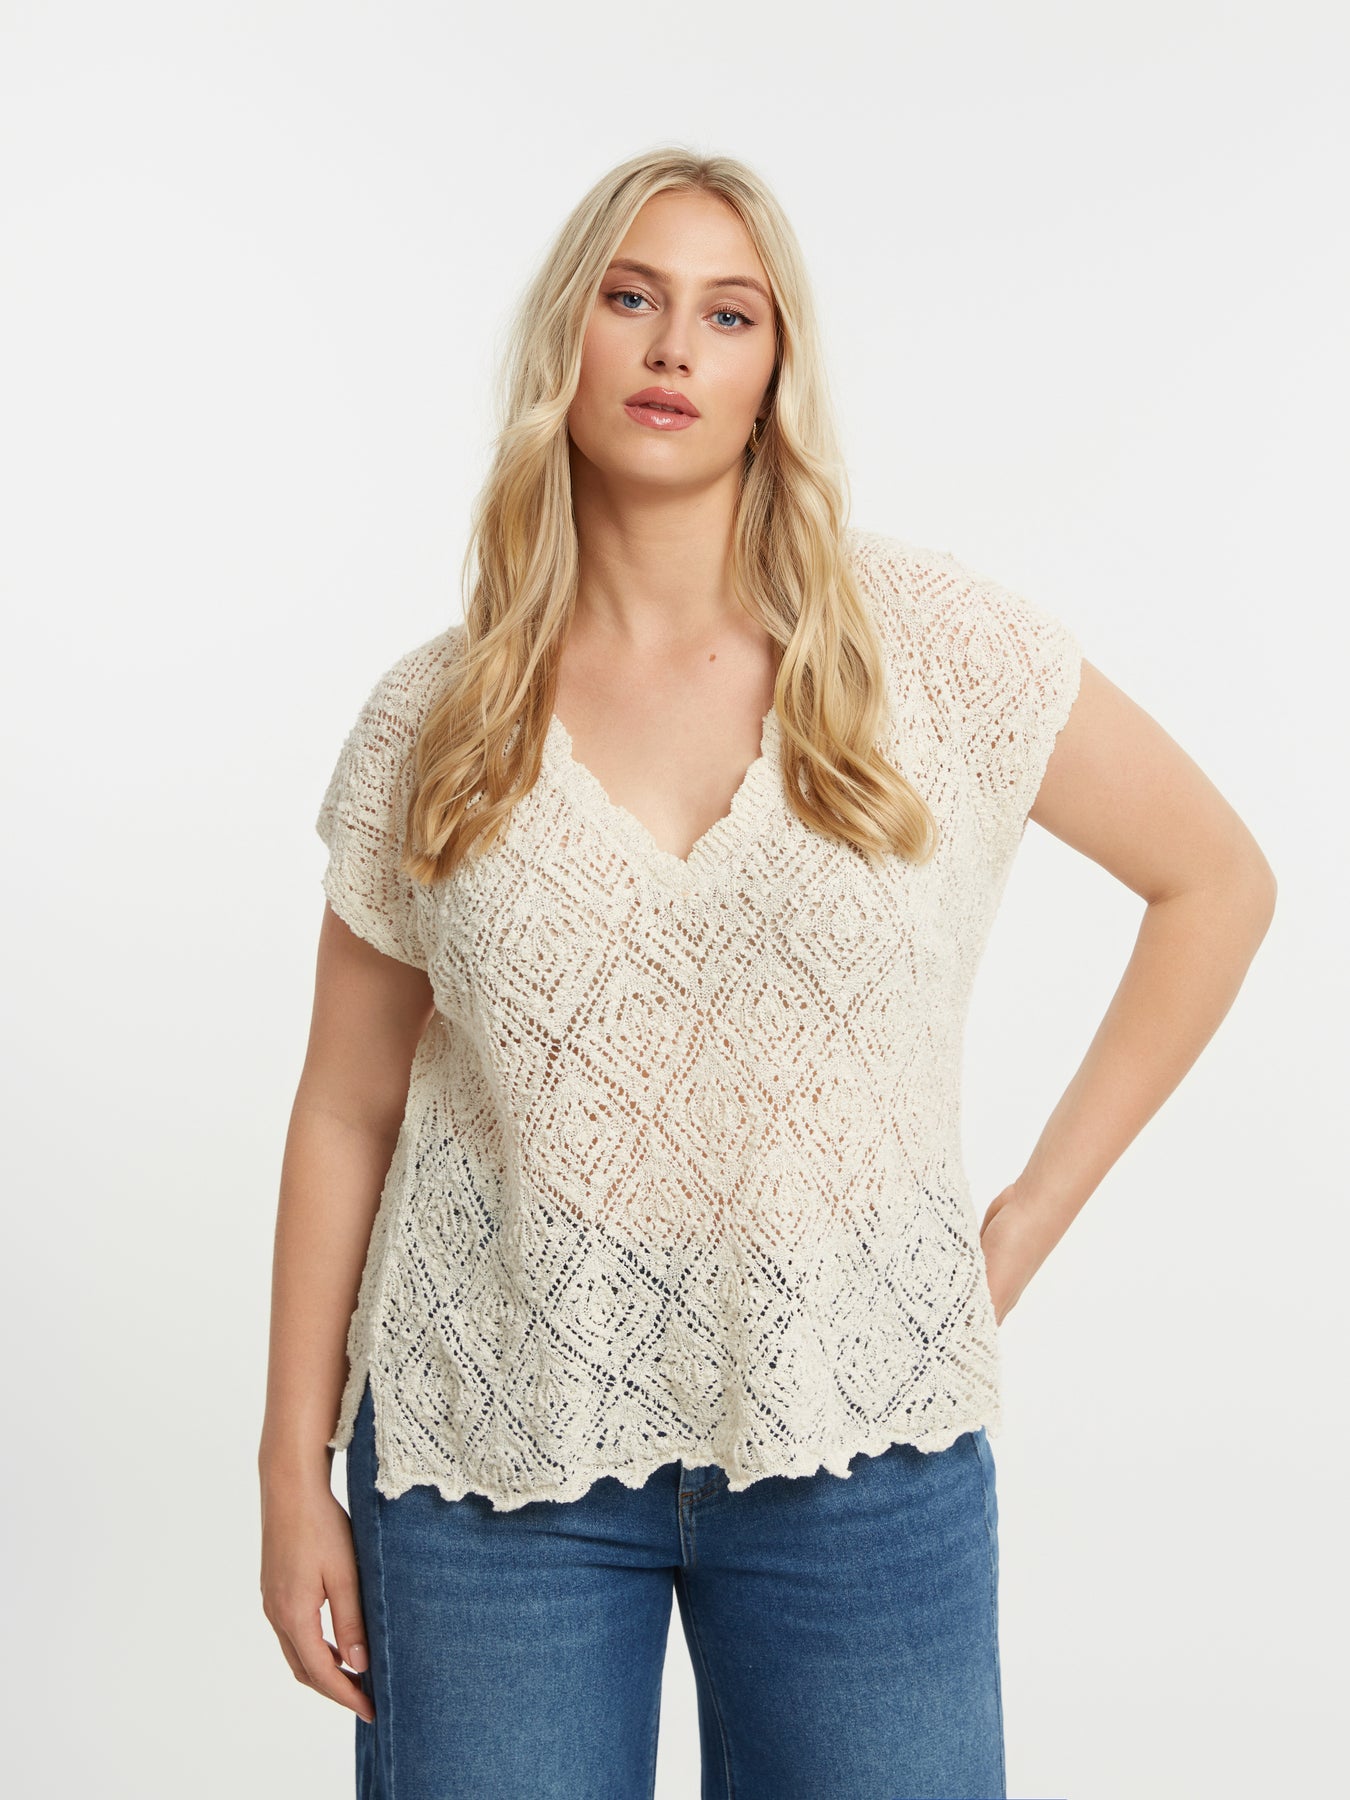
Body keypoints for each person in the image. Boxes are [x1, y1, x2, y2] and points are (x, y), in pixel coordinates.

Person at [257, 146, 1277, 1800]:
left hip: (861, 1432)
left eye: (727, 315)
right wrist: (287, 1467)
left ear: (772, 372)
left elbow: (1215, 882)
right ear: (566, 337)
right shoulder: (435, 714)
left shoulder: (929, 648)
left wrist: (1018, 1223)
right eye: (631, 298)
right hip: (488, 1445)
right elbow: (344, 1107)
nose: (674, 347)